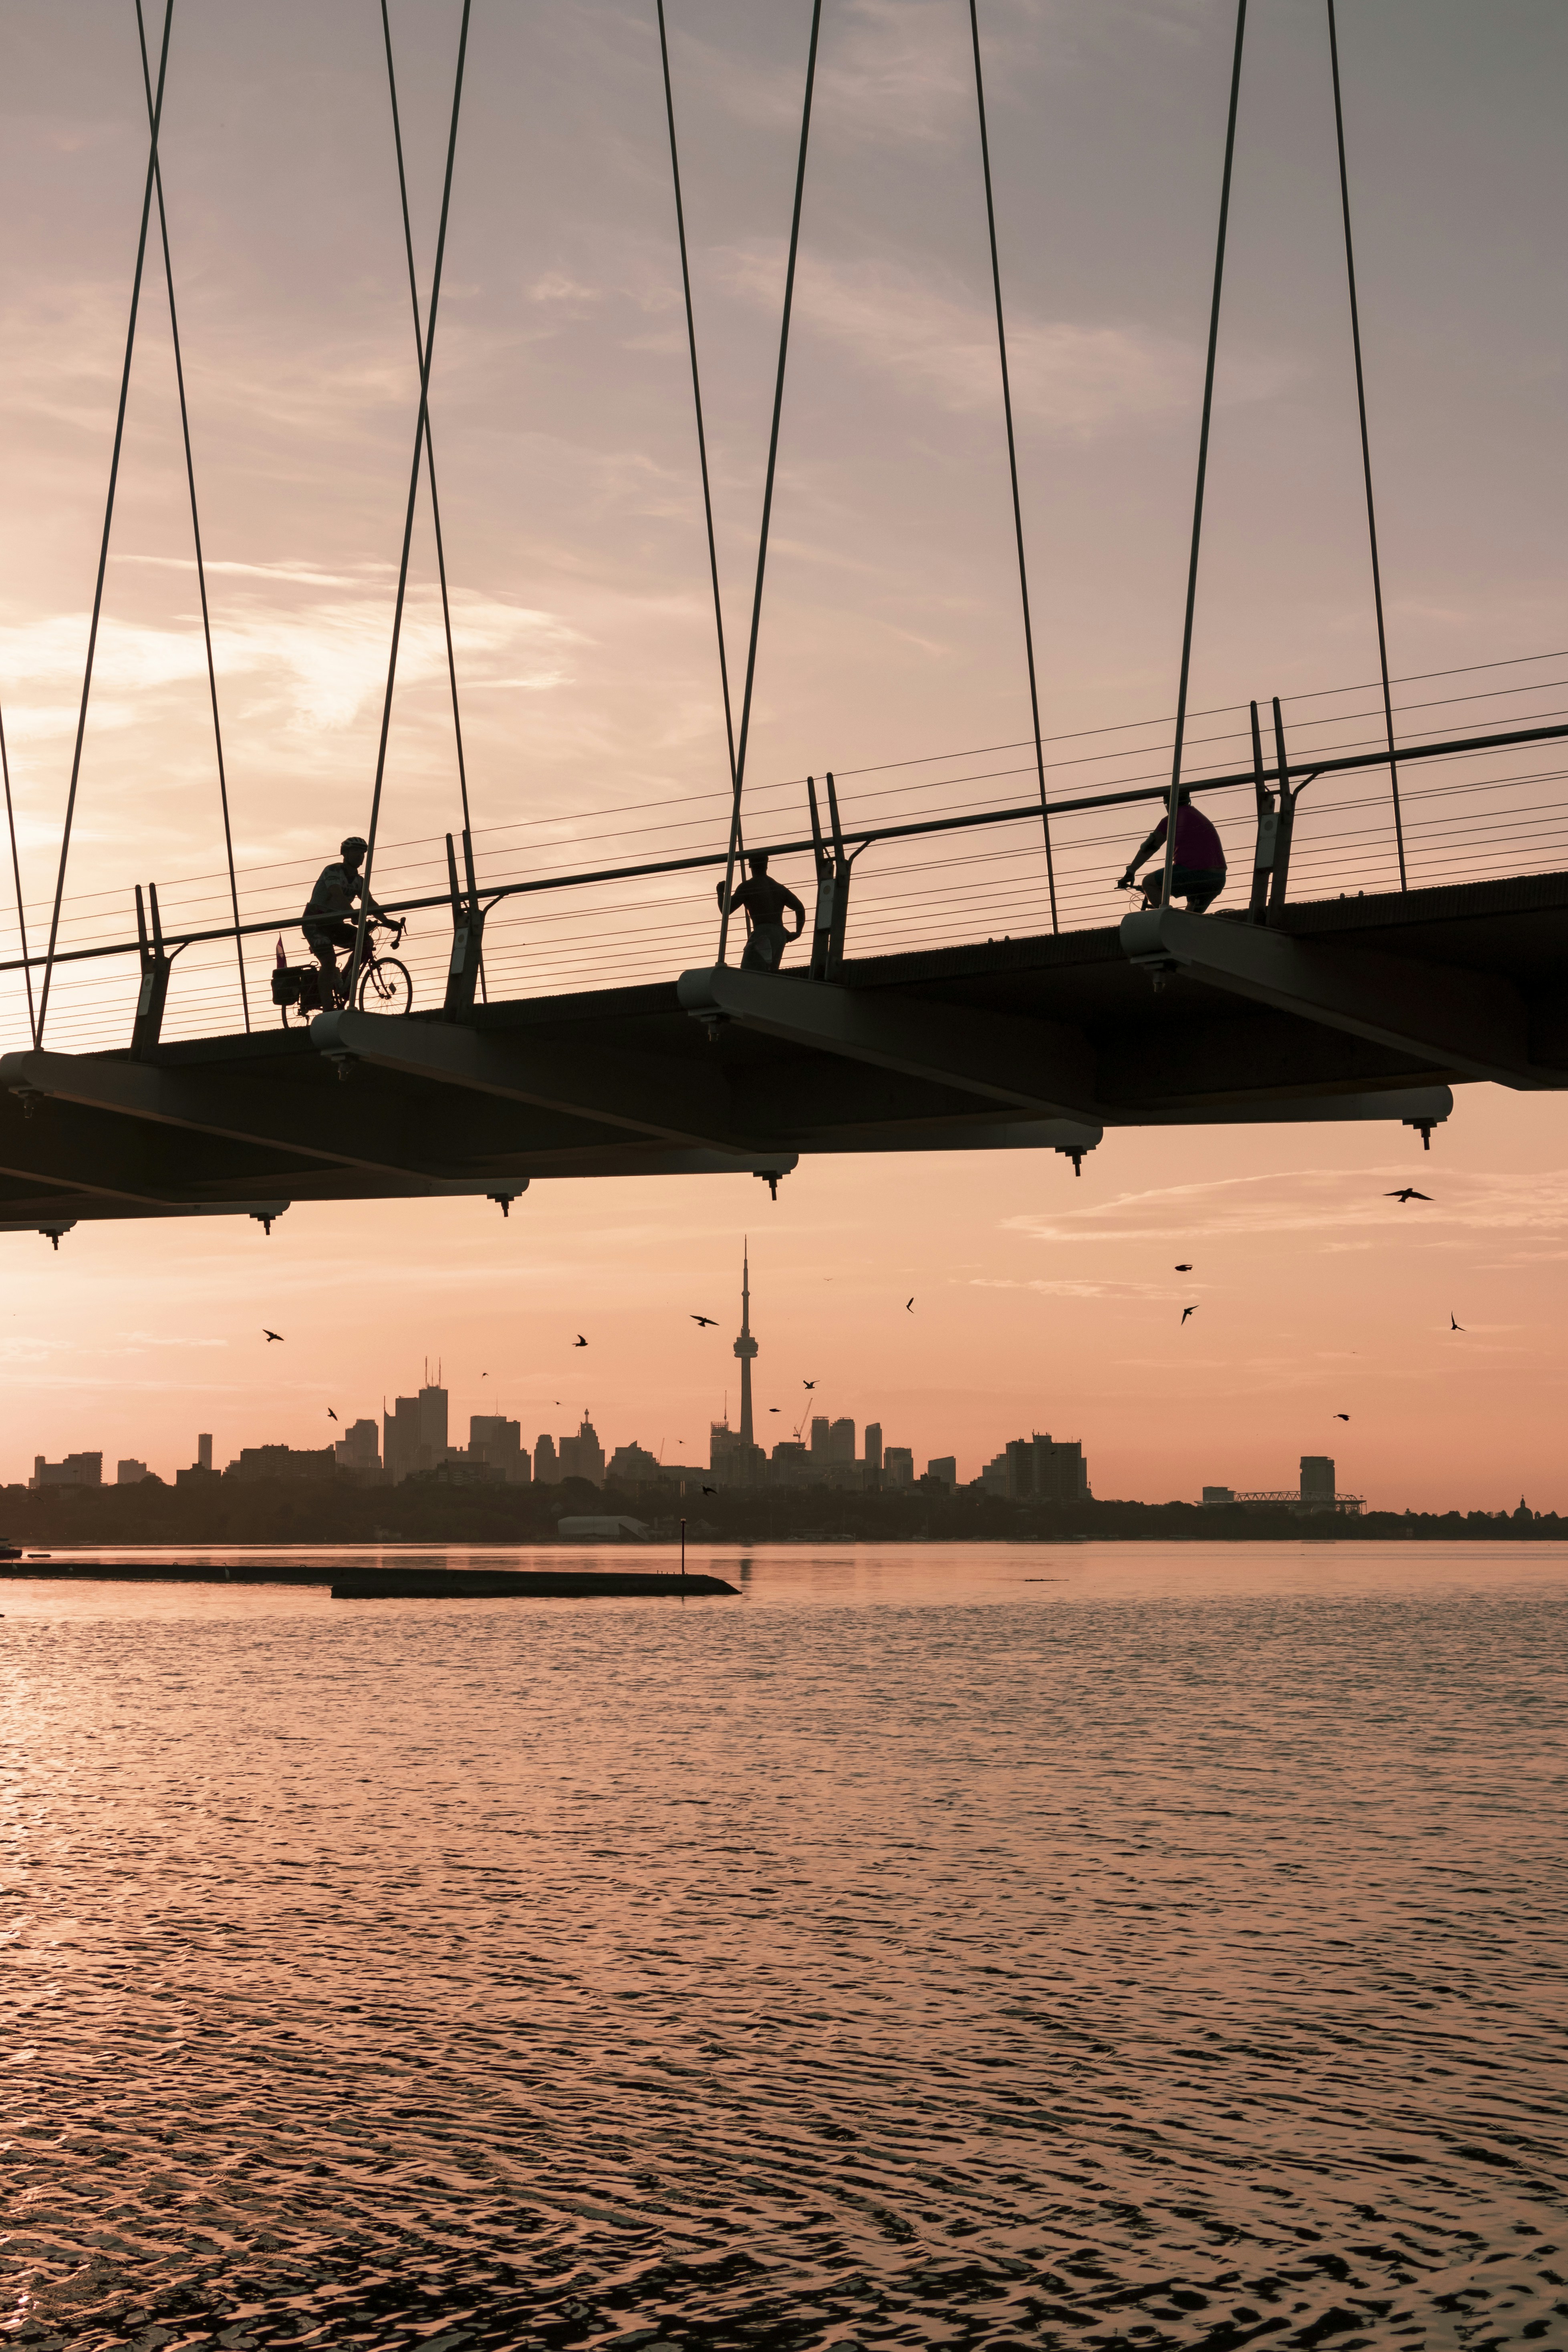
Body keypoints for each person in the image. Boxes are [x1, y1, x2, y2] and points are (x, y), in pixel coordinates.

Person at [302, 836, 393, 1003]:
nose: (360, 857)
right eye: (356, 852)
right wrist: (353, 914)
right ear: (345, 854)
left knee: (365, 942)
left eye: (363, 854)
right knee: (329, 961)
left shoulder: (359, 881)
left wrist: (387, 921)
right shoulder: (333, 870)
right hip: (315, 923)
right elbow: (337, 892)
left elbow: (370, 902)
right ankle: (328, 1005)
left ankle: (343, 984)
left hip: (335, 924)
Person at [1120, 789, 1226, 911]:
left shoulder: (1173, 818)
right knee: (1187, 923)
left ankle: (1168, 919)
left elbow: (1150, 847)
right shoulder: (1199, 816)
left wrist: (1131, 871)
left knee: (1149, 883)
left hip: (1195, 874)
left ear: (1168, 803)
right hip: (1217, 878)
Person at [715, 851, 806, 972]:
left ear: (750, 866)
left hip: (763, 933)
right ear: (766, 866)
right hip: (779, 934)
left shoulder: (748, 886)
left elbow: (726, 910)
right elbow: (800, 908)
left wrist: (721, 893)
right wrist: (798, 932)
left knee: (750, 974)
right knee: (770, 974)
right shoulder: (779, 887)